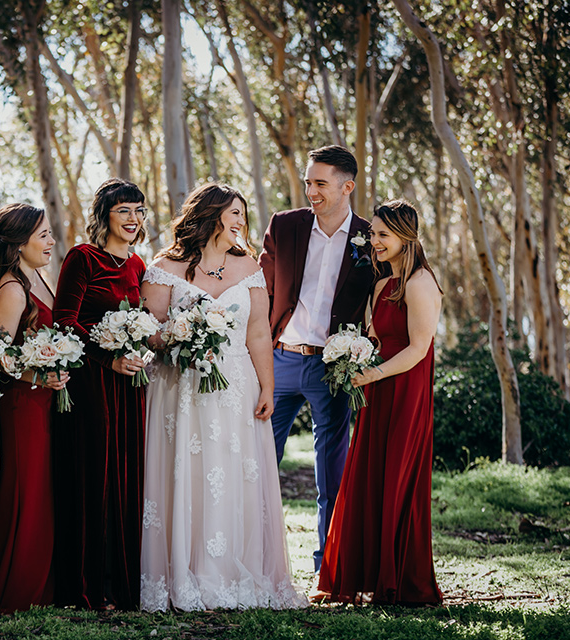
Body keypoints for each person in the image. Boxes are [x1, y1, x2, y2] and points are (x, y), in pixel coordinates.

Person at [139, 184, 307, 611]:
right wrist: (181, 337)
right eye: (233, 214)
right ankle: (183, 572)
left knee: (231, 473)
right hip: (181, 386)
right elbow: (149, 329)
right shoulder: (166, 265)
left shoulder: (248, 266)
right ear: (210, 215)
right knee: (187, 471)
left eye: (243, 216)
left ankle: (230, 573)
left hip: (235, 383)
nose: (240, 223)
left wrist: (268, 386)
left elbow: (257, 332)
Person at [315, 199, 443, 605]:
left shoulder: (422, 284)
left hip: (406, 391)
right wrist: (353, 354)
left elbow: (419, 348)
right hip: (377, 390)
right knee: (369, 475)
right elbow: (377, 339)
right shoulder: (380, 283)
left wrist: (373, 373)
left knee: (397, 479)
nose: (375, 241)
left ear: (406, 237)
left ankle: (398, 580)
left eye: (383, 235)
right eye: (372, 233)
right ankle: (359, 577)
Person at [259, 145, 377, 571]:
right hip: (281, 360)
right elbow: (262, 290)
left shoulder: (370, 237)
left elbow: (382, 301)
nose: (311, 190)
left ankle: (328, 563)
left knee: (332, 472)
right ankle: (257, 559)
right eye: (308, 182)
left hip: (334, 369)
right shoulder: (285, 225)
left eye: (320, 183)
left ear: (347, 187)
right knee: (259, 463)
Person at [52, 178, 149, 611]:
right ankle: (88, 587)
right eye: (124, 210)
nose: (133, 219)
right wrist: (106, 357)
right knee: (96, 479)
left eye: (139, 211)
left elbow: (145, 322)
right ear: (104, 215)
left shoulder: (138, 266)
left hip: (130, 387)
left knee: (127, 481)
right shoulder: (82, 258)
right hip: (91, 384)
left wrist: (141, 351)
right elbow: (65, 320)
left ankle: (122, 584)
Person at [0, 203, 68, 614]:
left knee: (44, 493)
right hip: (24, 406)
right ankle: (16, 593)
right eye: (44, 235)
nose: (52, 241)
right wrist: (39, 378)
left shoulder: (37, 278)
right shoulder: (12, 288)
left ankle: (44, 587)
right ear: (19, 244)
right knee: (26, 493)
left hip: (46, 401)